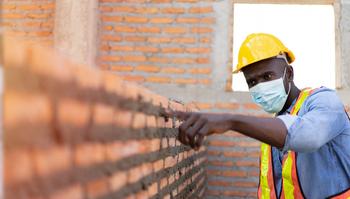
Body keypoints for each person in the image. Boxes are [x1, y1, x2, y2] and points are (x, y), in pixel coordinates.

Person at [167, 33, 350, 198]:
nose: (260, 86)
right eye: (252, 82)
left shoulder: (323, 100)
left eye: (267, 76)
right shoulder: (274, 127)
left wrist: (232, 121)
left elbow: (309, 136)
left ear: (289, 74)